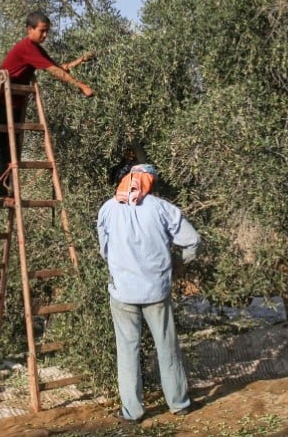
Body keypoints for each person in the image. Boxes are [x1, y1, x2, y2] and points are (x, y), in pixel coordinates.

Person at [96, 164, 200, 423]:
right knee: (167, 347)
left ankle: (132, 411)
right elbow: (192, 240)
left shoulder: (107, 209)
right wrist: (181, 263)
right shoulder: (161, 208)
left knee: (127, 351)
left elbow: (104, 251)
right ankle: (179, 404)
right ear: (148, 182)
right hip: (156, 292)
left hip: (122, 294)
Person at [0, 11, 95, 199]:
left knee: (9, 149)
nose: (45, 35)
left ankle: (2, 191)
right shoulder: (26, 47)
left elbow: (58, 67)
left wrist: (80, 60)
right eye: (42, 31)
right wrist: (81, 85)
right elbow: (54, 71)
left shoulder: (37, 49)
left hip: (14, 104)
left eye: (47, 32)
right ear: (29, 29)